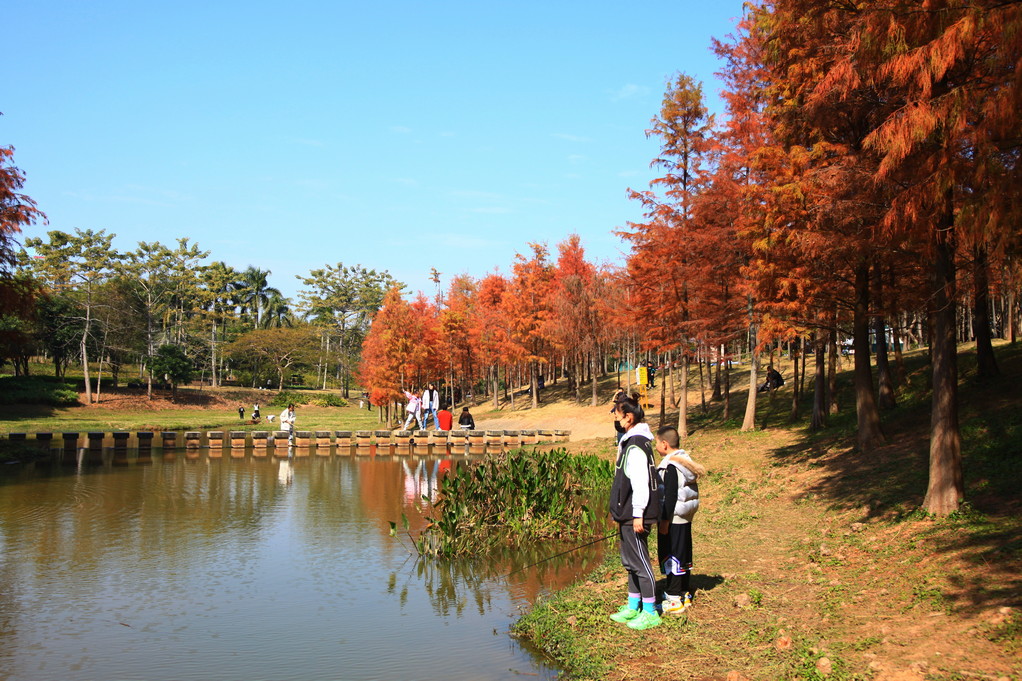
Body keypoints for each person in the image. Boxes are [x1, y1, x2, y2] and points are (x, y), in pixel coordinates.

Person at [608, 397, 662, 630]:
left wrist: (638, 513)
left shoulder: (636, 445)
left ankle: (650, 611)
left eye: (617, 415)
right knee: (630, 562)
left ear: (628, 418)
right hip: (627, 513)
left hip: (635, 514)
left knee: (640, 562)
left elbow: (641, 483)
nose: (615, 419)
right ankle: (633, 605)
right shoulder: (631, 442)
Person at [655, 425, 705, 615]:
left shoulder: (670, 466)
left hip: (673, 517)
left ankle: (674, 598)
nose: (656, 446)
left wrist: (665, 521)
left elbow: (669, 495)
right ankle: (685, 593)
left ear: (665, 444)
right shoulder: (685, 461)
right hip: (685, 516)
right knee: (683, 552)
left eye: (657, 443)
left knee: (672, 555)